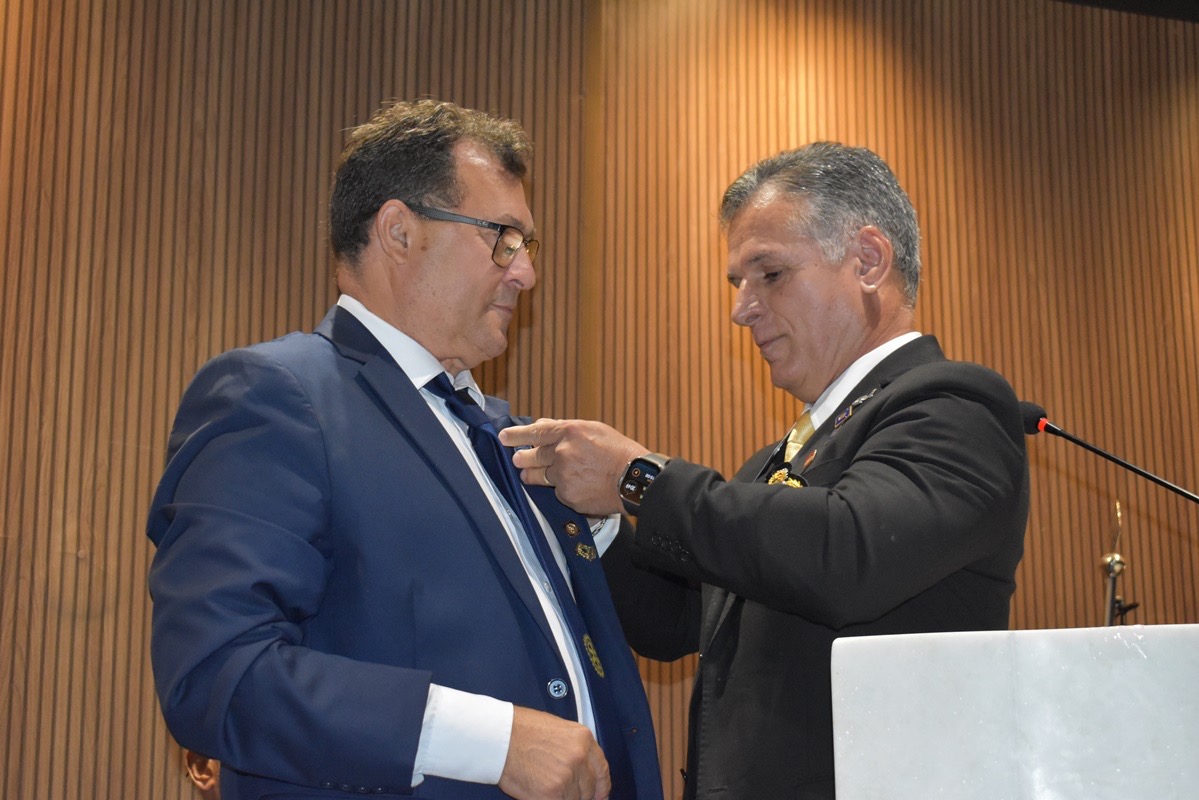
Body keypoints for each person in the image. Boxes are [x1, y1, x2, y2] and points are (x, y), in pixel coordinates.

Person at [146, 99, 661, 800]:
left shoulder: (516, 441)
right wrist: (492, 741)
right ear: (398, 232)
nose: (525, 274)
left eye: (527, 246)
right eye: (503, 239)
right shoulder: (277, 397)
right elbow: (218, 673)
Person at [500, 141, 1030, 798]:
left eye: (770, 274)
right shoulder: (773, 464)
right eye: (737, 284)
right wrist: (599, 515)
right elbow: (676, 621)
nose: (741, 309)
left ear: (867, 260)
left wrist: (637, 479)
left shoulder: (956, 406)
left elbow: (845, 552)